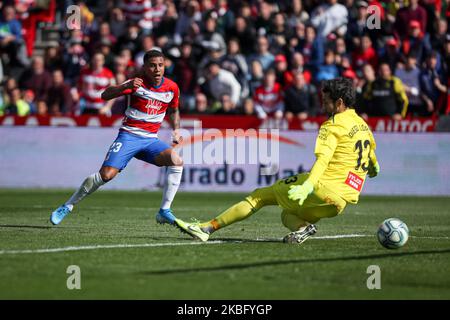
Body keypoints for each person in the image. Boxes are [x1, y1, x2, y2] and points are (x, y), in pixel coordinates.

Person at [174, 78, 380, 243]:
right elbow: (372, 159)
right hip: (339, 203)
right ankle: (303, 229)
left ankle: (206, 228)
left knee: (259, 196)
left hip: (322, 188)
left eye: (326, 101)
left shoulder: (332, 125)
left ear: (339, 103)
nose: (322, 104)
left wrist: (308, 185)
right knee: (286, 215)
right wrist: (373, 169)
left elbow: (323, 160)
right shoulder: (363, 125)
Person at [50, 50, 183, 227]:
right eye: (152, 65)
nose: (157, 69)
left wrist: (177, 129)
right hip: (129, 136)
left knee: (176, 160)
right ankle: (67, 206)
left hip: (150, 140)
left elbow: (174, 110)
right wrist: (123, 87)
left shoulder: (172, 87)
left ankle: (164, 211)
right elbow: (105, 95)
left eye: (160, 65)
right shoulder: (136, 83)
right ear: (144, 67)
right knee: (105, 175)